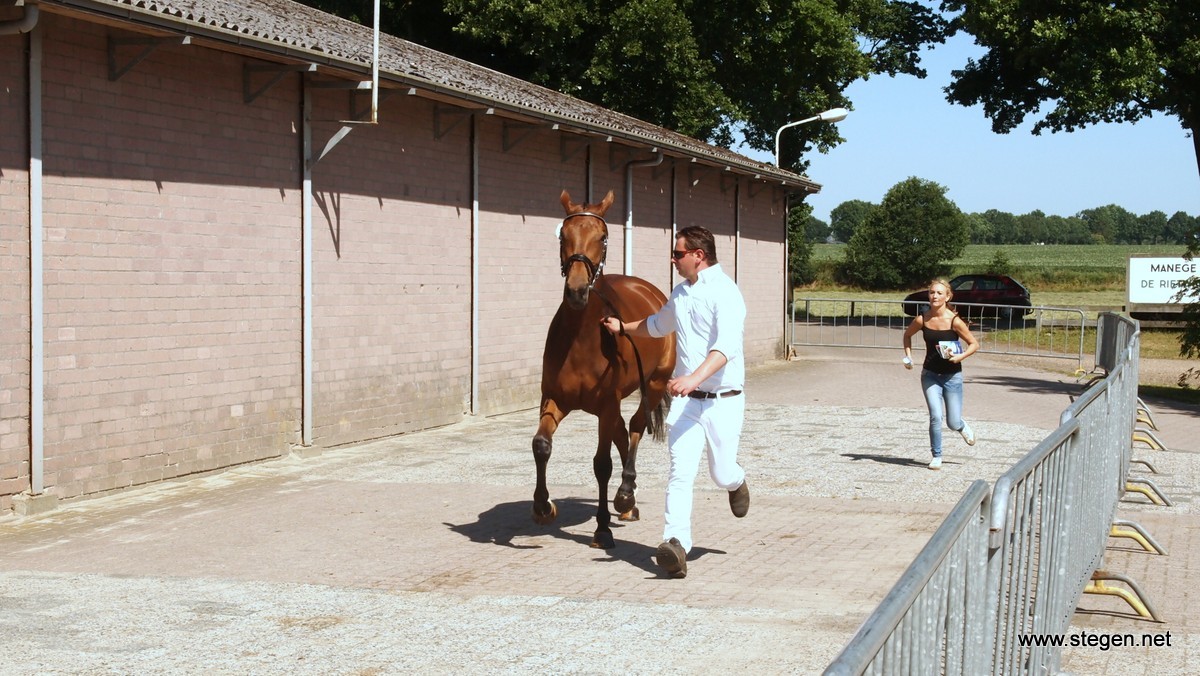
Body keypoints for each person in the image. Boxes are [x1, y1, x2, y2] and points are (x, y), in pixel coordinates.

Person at [600, 226, 748, 579]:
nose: (673, 259)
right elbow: (656, 324)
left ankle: (737, 481)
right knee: (679, 474)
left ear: (699, 255)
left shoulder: (726, 293)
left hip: (723, 401)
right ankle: (675, 545)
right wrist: (623, 327)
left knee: (720, 472)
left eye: (678, 254)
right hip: (687, 405)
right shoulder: (680, 294)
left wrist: (692, 378)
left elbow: (726, 347)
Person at [902, 278, 979, 470]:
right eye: (931, 292)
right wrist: (909, 357)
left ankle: (961, 426)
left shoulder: (954, 320)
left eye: (939, 293)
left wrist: (960, 357)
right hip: (930, 375)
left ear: (947, 296)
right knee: (936, 416)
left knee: (952, 422)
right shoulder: (922, 318)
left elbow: (974, 344)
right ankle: (936, 456)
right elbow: (907, 335)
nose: (934, 296)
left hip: (952, 376)